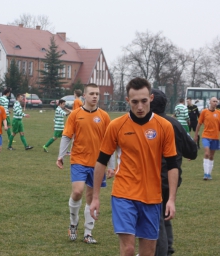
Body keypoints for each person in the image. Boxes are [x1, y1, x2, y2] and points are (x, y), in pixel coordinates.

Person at [90, 77, 179, 256]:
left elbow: (172, 165)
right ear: (127, 101)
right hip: (124, 194)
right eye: (135, 102)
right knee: (129, 249)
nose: (140, 107)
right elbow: (101, 161)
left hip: (152, 197)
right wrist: (95, 197)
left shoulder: (165, 127)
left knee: (148, 252)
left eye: (144, 101)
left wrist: (171, 199)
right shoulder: (116, 125)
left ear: (151, 99)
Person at [56, 83, 114, 244]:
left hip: (98, 164)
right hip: (79, 160)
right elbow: (67, 136)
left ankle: (88, 232)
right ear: (85, 96)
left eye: (97, 94)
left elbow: (110, 143)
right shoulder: (75, 115)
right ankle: (73, 224)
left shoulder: (104, 116)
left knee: (91, 197)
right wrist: (60, 155)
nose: (95, 96)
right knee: (77, 191)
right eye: (92, 94)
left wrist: (111, 165)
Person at [150, 89, 197, 256]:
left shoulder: (149, 124)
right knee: (164, 214)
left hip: (155, 178)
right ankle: (167, 249)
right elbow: (192, 151)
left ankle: (161, 251)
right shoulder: (175, 124)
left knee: (158, 219)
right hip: (172, 178)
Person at [194, 96, 220, 180]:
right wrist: (196, 134)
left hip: (215, 137)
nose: (215, 103)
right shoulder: (204, 112)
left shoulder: (219, 113)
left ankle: (209, 174)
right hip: (206, 136)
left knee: (211, 156)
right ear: (210, 102)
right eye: (214, 101)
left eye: (216, 101)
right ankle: (205, 174)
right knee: (206, 154)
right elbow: (199, 124)